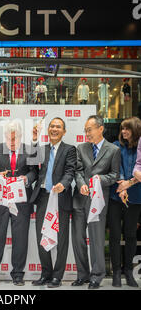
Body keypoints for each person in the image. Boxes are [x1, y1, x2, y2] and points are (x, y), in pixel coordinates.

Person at [71, 115, 121, 289]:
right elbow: (77, 171)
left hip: (98, 202)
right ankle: (82, 275)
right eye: (85, 130)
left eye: (89, 129)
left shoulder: (113, 150)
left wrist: (100, 179)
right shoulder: (81, 148)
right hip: (79, 200)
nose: (87, 133)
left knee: (96, 239)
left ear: (100, 129)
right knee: (78, 239)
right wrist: (82, 184)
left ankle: (97, 276)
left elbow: (115, 175)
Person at [0, 120, 36, 286]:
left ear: (21, 136)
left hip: (21, 200)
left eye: (15, 138)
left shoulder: (30, 150)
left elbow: (35, 172)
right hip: (0, 200)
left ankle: (18, 274)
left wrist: (26, 178)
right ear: (5, 136)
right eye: (9, 138)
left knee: (20, 238)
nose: (12, 142)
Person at [30, 117, 76, 288]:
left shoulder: (70, 149)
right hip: (43, 197)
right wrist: (34, 139)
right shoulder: (41, 149)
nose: (54, 129)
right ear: (48, 130)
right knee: (42, 237)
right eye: (52, 126)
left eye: (58, 127)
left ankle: (57, 276)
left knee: (62, 238)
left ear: (64, 131)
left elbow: (70, 170)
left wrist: (63, 185)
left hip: (61, 198)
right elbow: (32, 166)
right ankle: (46, 274)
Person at [107, 117, 141, 287]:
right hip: (115, 196)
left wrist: (128, 185)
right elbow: (116, 167)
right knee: (114, 235)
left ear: (135, 130)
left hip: (135, 197)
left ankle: (128, 270)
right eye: (122, 129)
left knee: (130, 235)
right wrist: (122, 184)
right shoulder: (116, 145)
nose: (124, 132)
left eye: (127, 129)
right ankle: (116, 272)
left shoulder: (140, 147)